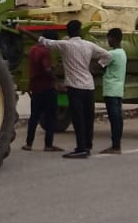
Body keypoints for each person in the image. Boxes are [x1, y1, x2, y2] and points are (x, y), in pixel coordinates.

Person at [37, 20, 110, 159]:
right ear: (80, 30)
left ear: (68, 32)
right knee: (88, 118)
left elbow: (44, 41)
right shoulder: (89, 45)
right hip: (89, 86)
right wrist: (97, 67)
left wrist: (23, 30)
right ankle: (88, 145)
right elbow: (108, 56)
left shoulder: (65, 45)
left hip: (75, 87)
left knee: (78, 118)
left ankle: (81, 148)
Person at [24, 37, 62, 153]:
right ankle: (48, 145)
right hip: (47, 88)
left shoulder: (32, 50)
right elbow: (47, 69)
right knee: (51, 116)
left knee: (34, 116)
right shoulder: (45, 51)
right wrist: (56, 80)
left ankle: (29, 144)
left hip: (35, 87)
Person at [100, 28, 128, 154]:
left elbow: (99, 65)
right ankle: (117, 144)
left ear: (114, 38)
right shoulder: (122, 53)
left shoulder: (112, 54)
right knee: (118, 118)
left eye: (109, 38)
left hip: (111, 89)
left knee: (114, 118)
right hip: (118, 89)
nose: (108, 41)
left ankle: (115, 146)